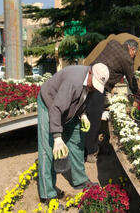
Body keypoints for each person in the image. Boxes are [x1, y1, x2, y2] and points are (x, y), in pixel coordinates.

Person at [37, 63, 109, 203]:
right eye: (94, 83)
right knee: (48, 147)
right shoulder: (74, 81)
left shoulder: (90, 84)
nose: (94, 87)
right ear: (90, 73)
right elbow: (56, 108)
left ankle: (80, 180)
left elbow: (82, 99)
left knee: (77, 139)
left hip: (68, 108)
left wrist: (82, 115)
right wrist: (57, 137)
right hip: (49, 104)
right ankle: (48, 195)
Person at [85, 39, 138, 163]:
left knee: (85, 114)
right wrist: (138, 96)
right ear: (132, 49)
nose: (133, 56)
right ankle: (90, 152)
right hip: (97, 85)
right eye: (134, 53)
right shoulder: (127, 60)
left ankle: (84, 146)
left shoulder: (113, 43)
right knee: (94, 119)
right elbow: (132, 81)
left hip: (87, 77)